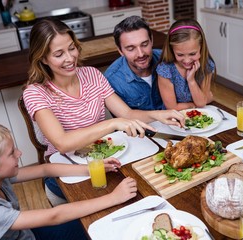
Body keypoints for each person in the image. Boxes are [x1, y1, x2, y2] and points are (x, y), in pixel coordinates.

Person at [22, 18, 184, 206]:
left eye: (71, 48)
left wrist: (158, 115)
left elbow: (127, 113)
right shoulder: (35, 92)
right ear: (43, 58)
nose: (69, 58)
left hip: (106, 161)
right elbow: (62, 143)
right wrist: (111, 124)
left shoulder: (92, 74)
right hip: (67, 172)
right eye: (59, 54)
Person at [0, 123, 137, 240]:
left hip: (27, 233)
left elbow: (45, 169)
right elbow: (54, 216)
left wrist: (92, 168)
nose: (19, 153)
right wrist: (114, 198)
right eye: (12, 153)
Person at [104, 15, 163, 110]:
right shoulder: (112, 80)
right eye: (131, 49)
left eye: (144, 44)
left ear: (151, 40)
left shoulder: (167, 60)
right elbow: (123, 120)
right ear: (120, 50)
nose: (140, 54)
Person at [156, 19, 216, 111]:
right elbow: (172, 107)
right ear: (172, 50)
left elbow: (201, 102)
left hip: (200, 115)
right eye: (180, 55)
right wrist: (202, 101)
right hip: (174, 118)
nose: (187, 61)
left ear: (201, 48)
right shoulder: (165, 70)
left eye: (192, 54)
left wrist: (191, 81)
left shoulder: (206, 65)